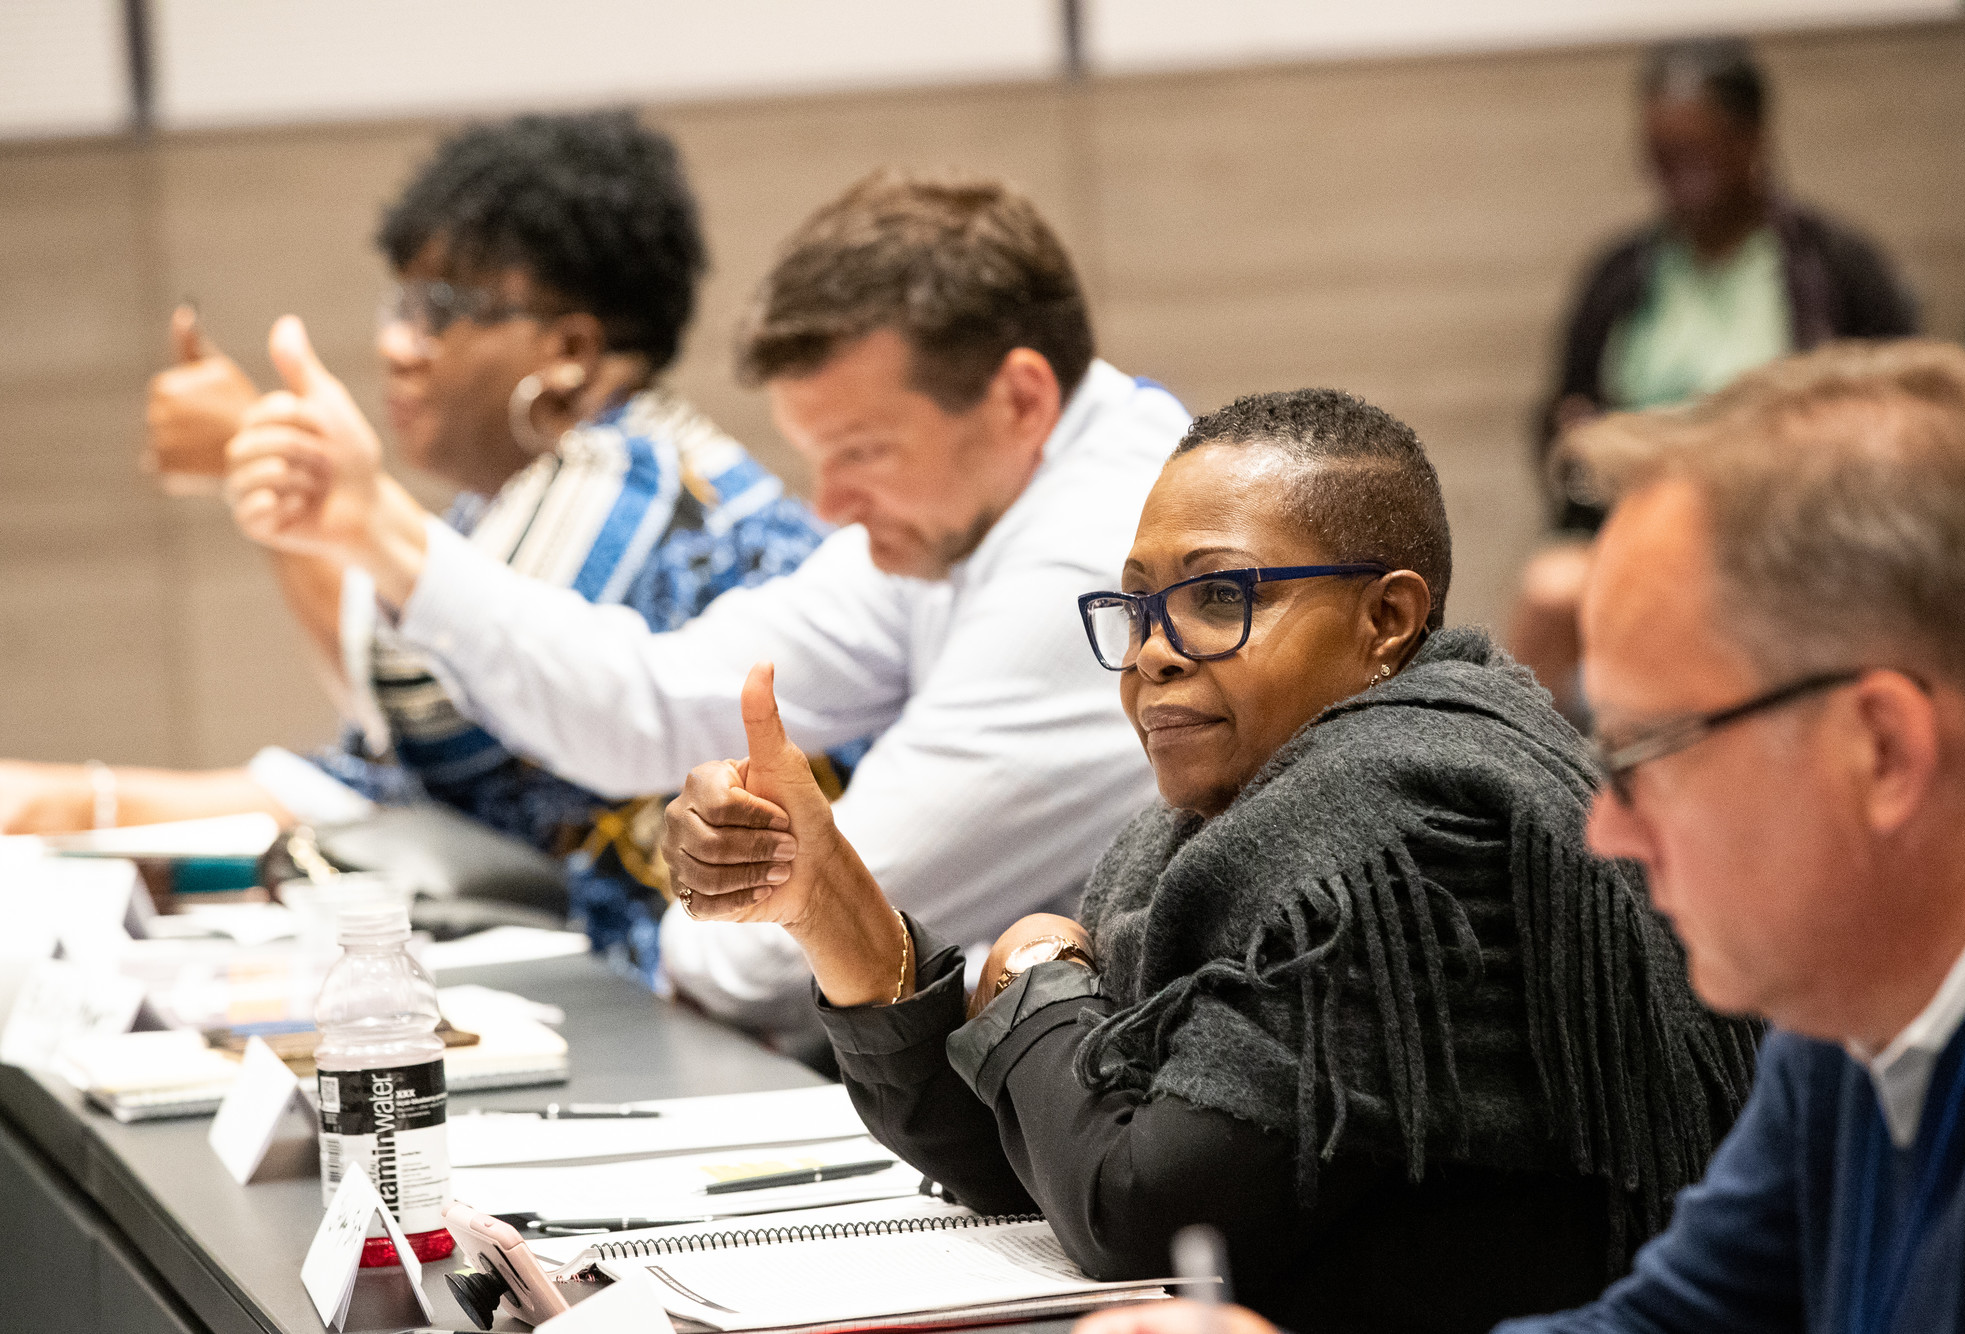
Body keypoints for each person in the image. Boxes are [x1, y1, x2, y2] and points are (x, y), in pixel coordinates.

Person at [660, 388, 1761, 1333]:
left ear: (1385, 619)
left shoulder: (1408, 831)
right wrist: (828, 902)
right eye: (1139, 604)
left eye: (1217, 598)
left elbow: (1139, 1209)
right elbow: (1027, 1156)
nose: (1151, 651)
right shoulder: (1218, 833)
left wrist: (1037, 972)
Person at [1077, 340, 1965, 1333]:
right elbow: (1666, 1325)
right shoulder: (1841, 1019)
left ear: (1880, 751)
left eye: (1647, 752)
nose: (1605, 827)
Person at [220, 172, 1191, 1041]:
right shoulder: (970, 509)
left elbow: (796, 940)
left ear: (1019, 398)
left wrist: (669, 911)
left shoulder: (1090, 565)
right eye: (820, 458)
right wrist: (375, 532)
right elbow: (656, 698)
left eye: (863, 451)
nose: (829, 505)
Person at [0, 111, 833, 985]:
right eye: (399, 305)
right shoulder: (531, 489)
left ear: (570, 350)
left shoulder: (631, 474)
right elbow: (390, 739)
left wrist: (290, 479)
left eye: (439, 311)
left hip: (713, 1002)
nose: (396, 344)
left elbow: (430, 727)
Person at [1509, 36, 1916, 723]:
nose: (1672, 174)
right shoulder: (1621, 274)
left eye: (1692, 152)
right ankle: (1536, 779)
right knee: (1549, 592)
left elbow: (1902, 416)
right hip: (1641, 521)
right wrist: (1574, 436)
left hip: (1793, 529)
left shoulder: (1834, 266)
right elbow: (1560, 418)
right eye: (1658, 155)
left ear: (1751, 138)